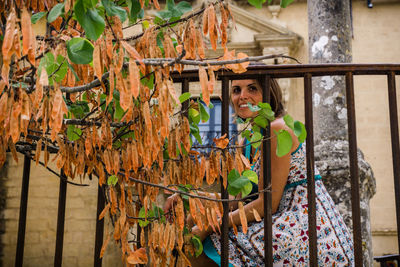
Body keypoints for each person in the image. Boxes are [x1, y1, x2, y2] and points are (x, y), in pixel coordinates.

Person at [164, 77, 354, 266]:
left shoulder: (277, 129)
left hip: (303, 228)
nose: (242, 96)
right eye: (236, 90)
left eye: (252, 89)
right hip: (277, 222)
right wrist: (189, 197)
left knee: (207, 239)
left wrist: (209, 226)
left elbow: (267, 204)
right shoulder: (247, 142)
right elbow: (235, 199)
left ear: (268, 95)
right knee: (192, 219)